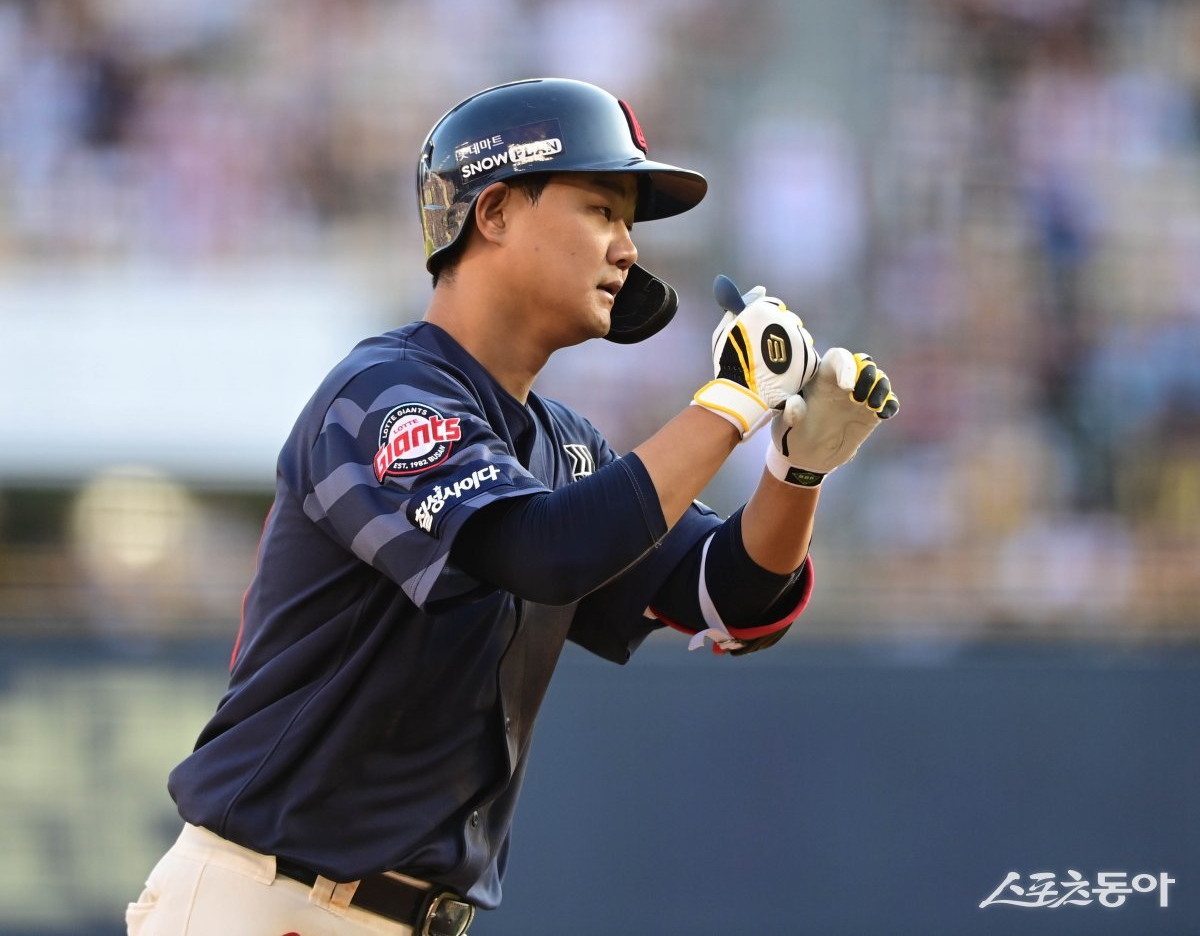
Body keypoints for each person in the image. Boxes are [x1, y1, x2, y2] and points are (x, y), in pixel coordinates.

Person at [126, 77, 898, 936]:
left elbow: (732, 600)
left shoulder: (559, 445)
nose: (628, 249)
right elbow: (540, 551)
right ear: (492, 211)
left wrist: (796, 470)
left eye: (628, 222)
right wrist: (730, 403)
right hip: (268, 903)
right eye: (601, 208)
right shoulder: (384, 395)